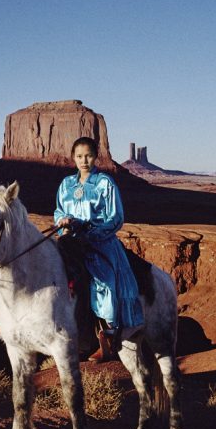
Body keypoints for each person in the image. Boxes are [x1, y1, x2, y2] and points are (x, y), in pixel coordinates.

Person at [54, 137, 144, 362]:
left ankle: (108, 333)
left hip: (99, 243)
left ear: (96, 156)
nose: (84, 161)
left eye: (88, 156)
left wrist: (90, 234)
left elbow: (116, 218)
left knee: (102, 281)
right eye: (79, 156)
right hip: (70, 241)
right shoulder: (66, 184)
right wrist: (63, 221)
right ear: (73, 158)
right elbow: (58, 211)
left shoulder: (105, 183)